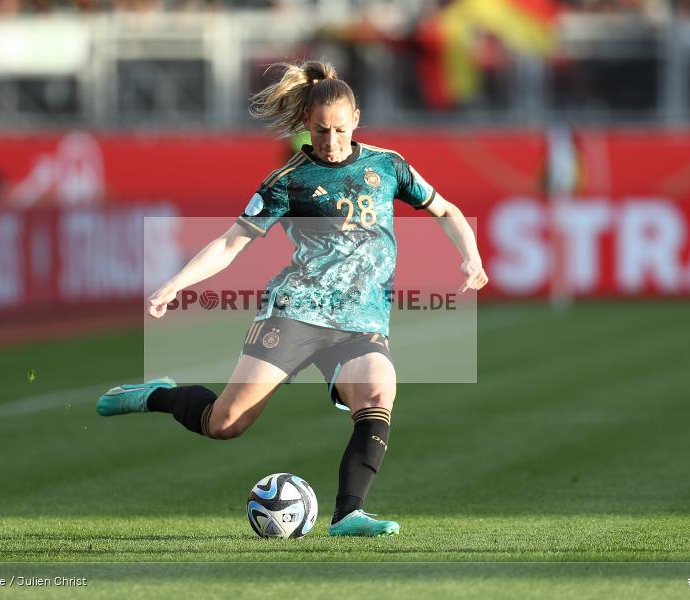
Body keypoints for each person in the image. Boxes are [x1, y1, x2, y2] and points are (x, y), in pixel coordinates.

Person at [96, 60, 488, 537]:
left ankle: (349, 514)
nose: (331, 140)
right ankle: (157, 394)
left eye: (340, 129)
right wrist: (176, 283)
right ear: (306, 124)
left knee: (379, 392)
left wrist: (471, 256)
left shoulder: (389, 166)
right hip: (296, 313)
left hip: (360, 320)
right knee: (225, 424)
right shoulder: (289, 180)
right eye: (321, 130)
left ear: (357, 119)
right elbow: (230, 242)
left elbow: (446, 209)